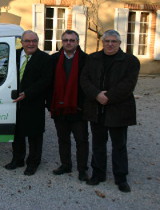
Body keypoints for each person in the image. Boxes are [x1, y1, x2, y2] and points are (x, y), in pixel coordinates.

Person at [80, 29, 140, 193]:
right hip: (96, 108)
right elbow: (84, 79)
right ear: (103, 42)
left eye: (114, 41)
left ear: (119, 43)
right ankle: (98, 174)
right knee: (98, 144)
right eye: (107, 41)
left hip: (119, 109)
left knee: (119, 145)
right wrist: (96, 94)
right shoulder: (93, 58)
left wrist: (108, 97)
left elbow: (128, 84)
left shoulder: (130, 61)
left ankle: (121, 178)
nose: (110, 44)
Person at [4, 30, 52, 175]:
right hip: (14, 101)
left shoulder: (45, 58)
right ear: (22, 42)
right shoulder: (14, 55)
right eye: (27, 41)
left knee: (34, 135)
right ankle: (17, 159)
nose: (31, 44)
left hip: (33, 102)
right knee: (17, 134)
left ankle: (33, 163)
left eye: (34, 41)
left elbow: (46, 80)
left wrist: (28, 93)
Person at [48, 30, 89, 181]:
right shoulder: (54, 59)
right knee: (63, 139)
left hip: (78, 108)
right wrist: (49, 103)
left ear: (77, 42)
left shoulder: (86, 59)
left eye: (72, 40)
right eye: (65, 40)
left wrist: (84, 105)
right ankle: (66, 165)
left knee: (81, 140)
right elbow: (49, 83)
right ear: (61, 42)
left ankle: (82, 169)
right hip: (59, 107)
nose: (68, 43)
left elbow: (88, 84)